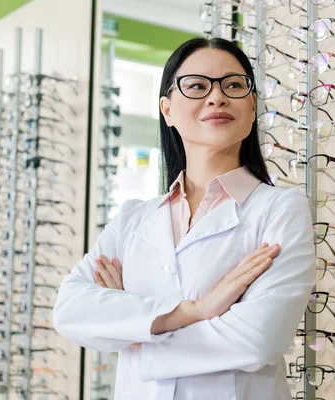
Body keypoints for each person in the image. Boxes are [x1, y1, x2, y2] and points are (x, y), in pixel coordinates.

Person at [52, 37, 316, 400]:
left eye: (234, 85)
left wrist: (138, 332)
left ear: (252, 106)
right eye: (196, 86)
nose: (217, 97)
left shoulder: (280, 209)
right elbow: (70, 311)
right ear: (167, 109)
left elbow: (258, 339)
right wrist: (196, 310)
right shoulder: (133, 218)